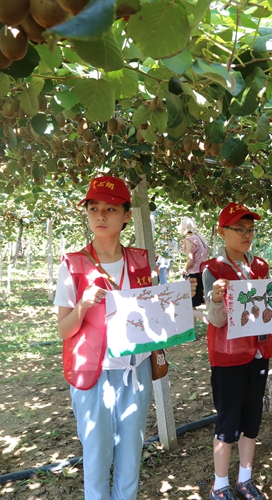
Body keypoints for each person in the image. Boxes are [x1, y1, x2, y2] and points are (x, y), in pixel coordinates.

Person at [55, 175, 196, 500]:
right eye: (94, 208)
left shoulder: (140, 260)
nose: (101, 215)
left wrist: (179, 296)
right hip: (93, 375)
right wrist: (83, 303)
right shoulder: (74, 266)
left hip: (137, 371)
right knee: (96, 456)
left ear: (126, 215)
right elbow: (64, 330)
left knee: (131, 454)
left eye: (110, 208)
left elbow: (154, 317)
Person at [204, 202, 272, 500]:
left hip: (258, 350)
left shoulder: (259, 266)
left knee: (252, 418)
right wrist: (217, 299)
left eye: (250, 230)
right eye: (239, 229)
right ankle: (220, 484)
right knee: (228, 418)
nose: (246, 235)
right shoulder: (213, 269)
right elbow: (216, 319)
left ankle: (245, 478)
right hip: (229, 354)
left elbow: (267, 308)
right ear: (222, 232)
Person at [181, 217, 209, 307]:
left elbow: (190, 260)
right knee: (196, 304)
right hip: (203, 272)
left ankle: (207, 320)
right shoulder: (201, 238)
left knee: (190, 305)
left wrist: (184, 270)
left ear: (184, 228)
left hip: (194, 274)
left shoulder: (189, 240)